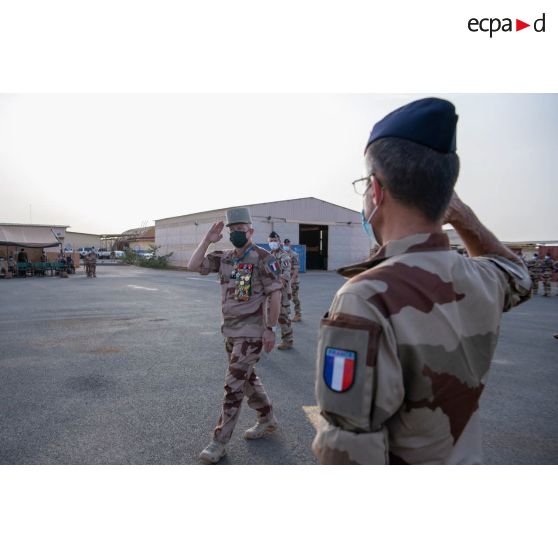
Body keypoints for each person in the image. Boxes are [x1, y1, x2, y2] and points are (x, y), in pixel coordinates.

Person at [312, 97, 531, 465]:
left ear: (376, 191)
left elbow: (348, 453)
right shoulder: (483, 278)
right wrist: (466, 219)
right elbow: (518, 274)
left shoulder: (364, 296)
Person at [188, 207, 283, 464]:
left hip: (251, 335)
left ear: (250, 231)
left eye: (241, 230)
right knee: (247, 379)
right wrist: (207, 240)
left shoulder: (263, 258)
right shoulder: (226, 257)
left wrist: (270, 329)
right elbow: (194, 265)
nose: (236, 235)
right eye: (233, 231)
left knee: (233, 387)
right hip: (230, 332)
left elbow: (275, 294)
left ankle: (219, 442)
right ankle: (267, 418)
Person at [268, 231, 294, 350]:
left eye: (275, 241)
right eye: (271, 241)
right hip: (270, 292)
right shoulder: (269, 255)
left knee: (283, 317)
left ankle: (288, 340)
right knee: (269, 316)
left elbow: (284, 276)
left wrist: (276, 291)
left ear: (279, 242)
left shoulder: (284, 256)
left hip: (280, 292)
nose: (273, 243)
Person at [283, 238, 302, 322]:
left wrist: (292, 280)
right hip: (284, 280)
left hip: (292, 281)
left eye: (287, 244)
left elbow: (296, 269)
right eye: (285, 244)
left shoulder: (294, 254)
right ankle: (285, 315)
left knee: (294, 298)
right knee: (284, 299)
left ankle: (298, 314)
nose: (286, 245)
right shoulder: (281, 254)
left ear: (290, 245)